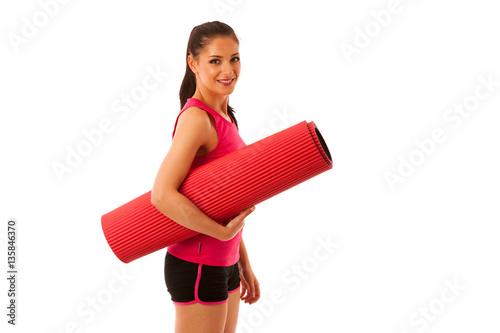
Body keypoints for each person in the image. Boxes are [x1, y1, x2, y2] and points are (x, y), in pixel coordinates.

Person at [151, 21, 260, 332]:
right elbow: (162, 194)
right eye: (215, 61)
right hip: (197, 263)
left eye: (234, 58)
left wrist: (243, 262)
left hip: (225, 264)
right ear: (193, 63)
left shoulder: (227, 117)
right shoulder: (197, 119)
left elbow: (224, 205)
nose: (228, 70)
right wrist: (221, 235)